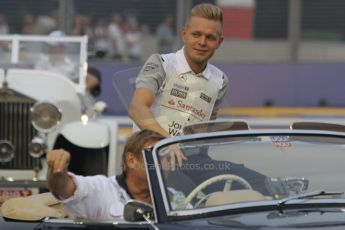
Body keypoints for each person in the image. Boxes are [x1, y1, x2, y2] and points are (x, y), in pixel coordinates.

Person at [128, 3, 228, 166]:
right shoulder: (161, 63)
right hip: (151, 161)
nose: (202, 42)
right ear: (184, 34)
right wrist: (168, 142)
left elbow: (206, 130)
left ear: (219, 42)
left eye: (210, 37)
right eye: (196, 34)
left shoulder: (221, 80)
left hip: (192, 163)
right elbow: (137, 108)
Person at [46, 129, 164, 219]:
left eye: (167, 157)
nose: (165, 163)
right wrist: (57, 171)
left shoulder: (173, 198)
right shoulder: (103, 189)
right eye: (155, 154)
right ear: (131, 160)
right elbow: (64, 189)